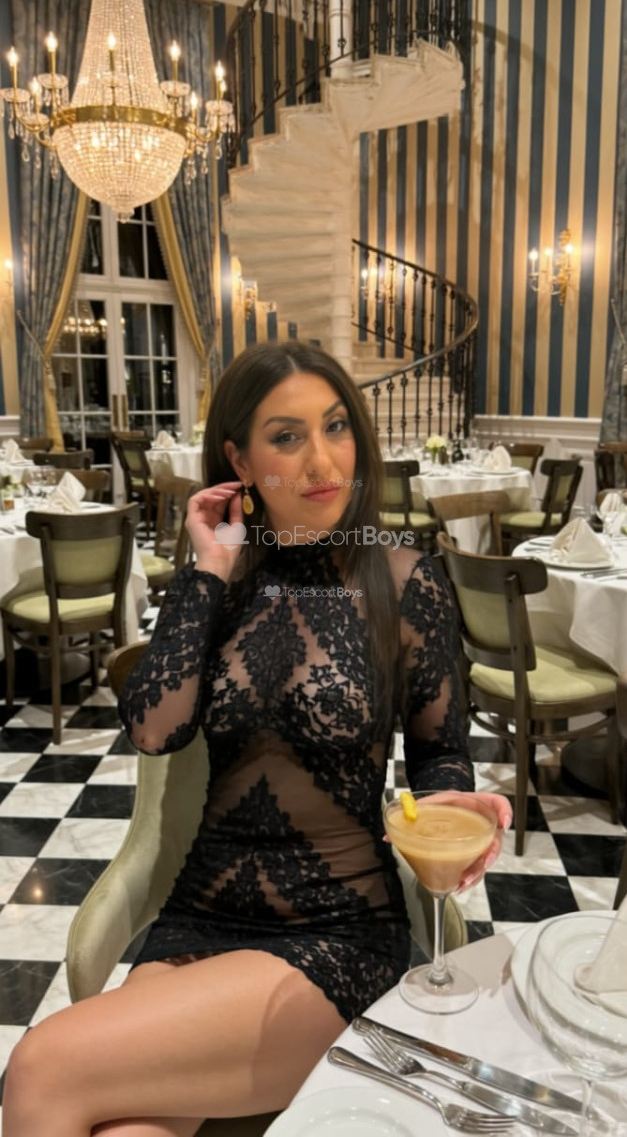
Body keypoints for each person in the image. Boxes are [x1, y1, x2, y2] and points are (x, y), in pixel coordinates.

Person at [3, 341, 512, 1137]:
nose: (323, 460)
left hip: (336, 929)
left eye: (336, 426)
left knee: (41, 1066)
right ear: (239, 459)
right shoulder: (220, 581)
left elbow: (439, 750)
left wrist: (453, 801)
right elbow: (154, 730)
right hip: (200, 915)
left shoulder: (406, 580)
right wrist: (208, 569)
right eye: (286, 436)